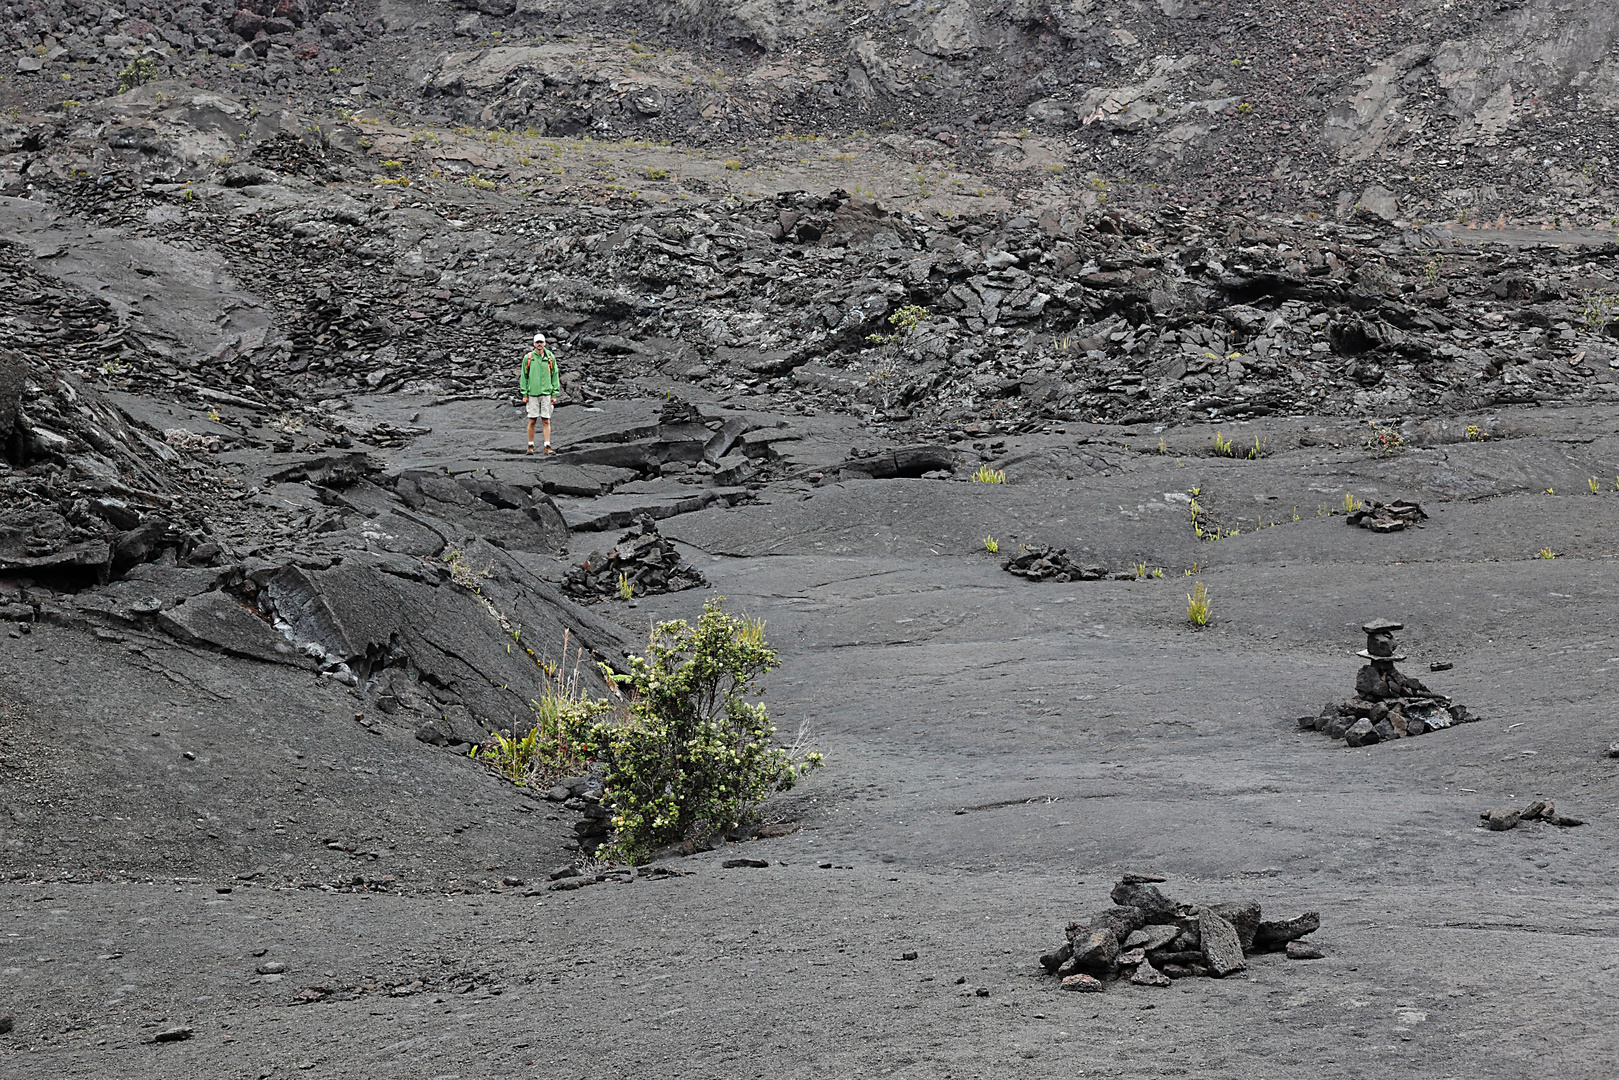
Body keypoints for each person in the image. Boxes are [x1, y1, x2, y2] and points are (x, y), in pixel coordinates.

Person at [519, 331, 560, 454]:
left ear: (545, 343)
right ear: (534, 343)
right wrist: (524, 393)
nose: (539, 344)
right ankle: (530, 445)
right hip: (532, 394)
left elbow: (555, 375)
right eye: (537, 342)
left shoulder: (550, 358)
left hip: (546, 394)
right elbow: (524, 376)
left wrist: (554, 393)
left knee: (546, 420)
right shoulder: (529, 358)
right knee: (532, 420)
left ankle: (547, 446)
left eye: (541, 342)